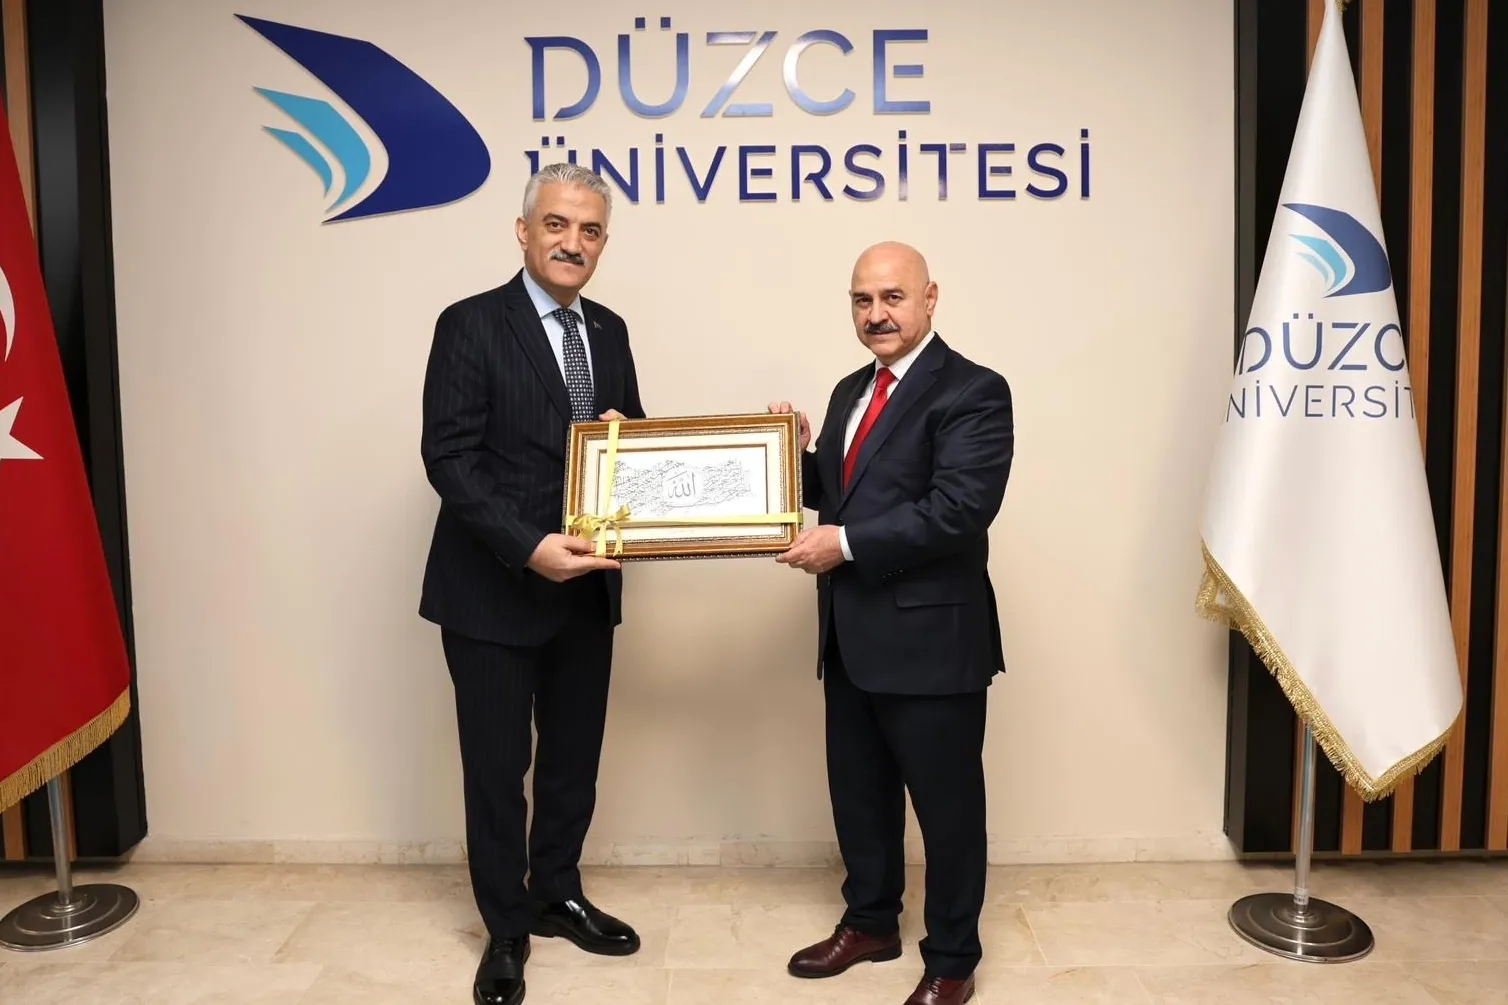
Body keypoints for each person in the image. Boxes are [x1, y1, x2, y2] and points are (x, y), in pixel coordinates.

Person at [419, 162, 645, 1005]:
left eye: (589, 230)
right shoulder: (470, 324)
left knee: (572, 763)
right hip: (493, 592)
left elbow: (631, 441)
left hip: (586, 590)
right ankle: (506, 927)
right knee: (496, 770)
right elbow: (449, 456)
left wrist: (632, 434)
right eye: (557, 225)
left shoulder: (610, 330)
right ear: (524, 231)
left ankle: (556, 892)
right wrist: (528, 546)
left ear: (602, 244)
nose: (572, 242)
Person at [768, 241, 1013, 1005]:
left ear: (930, 298)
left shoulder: (974, 390)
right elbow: (842, 489)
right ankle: (871, 921)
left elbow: (959, 508)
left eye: (892, 297)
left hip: (933, 641)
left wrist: (841, 544)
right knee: (860, 795)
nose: (876, 313)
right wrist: (788, 454)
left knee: (947, 811)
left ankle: (952, 959)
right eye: (862, 300)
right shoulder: (851, 389)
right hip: (851, 636)